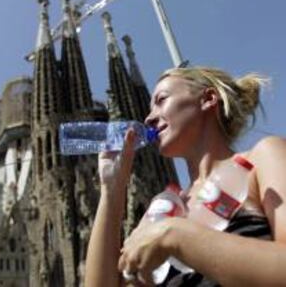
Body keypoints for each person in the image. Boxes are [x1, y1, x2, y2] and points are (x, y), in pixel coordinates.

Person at [84, 66, 286, 286]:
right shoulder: (166, 206)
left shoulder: (261, 159)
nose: (149, 118)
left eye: (161, 100)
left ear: (208, 99)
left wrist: (175, 236)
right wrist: (112, 189)